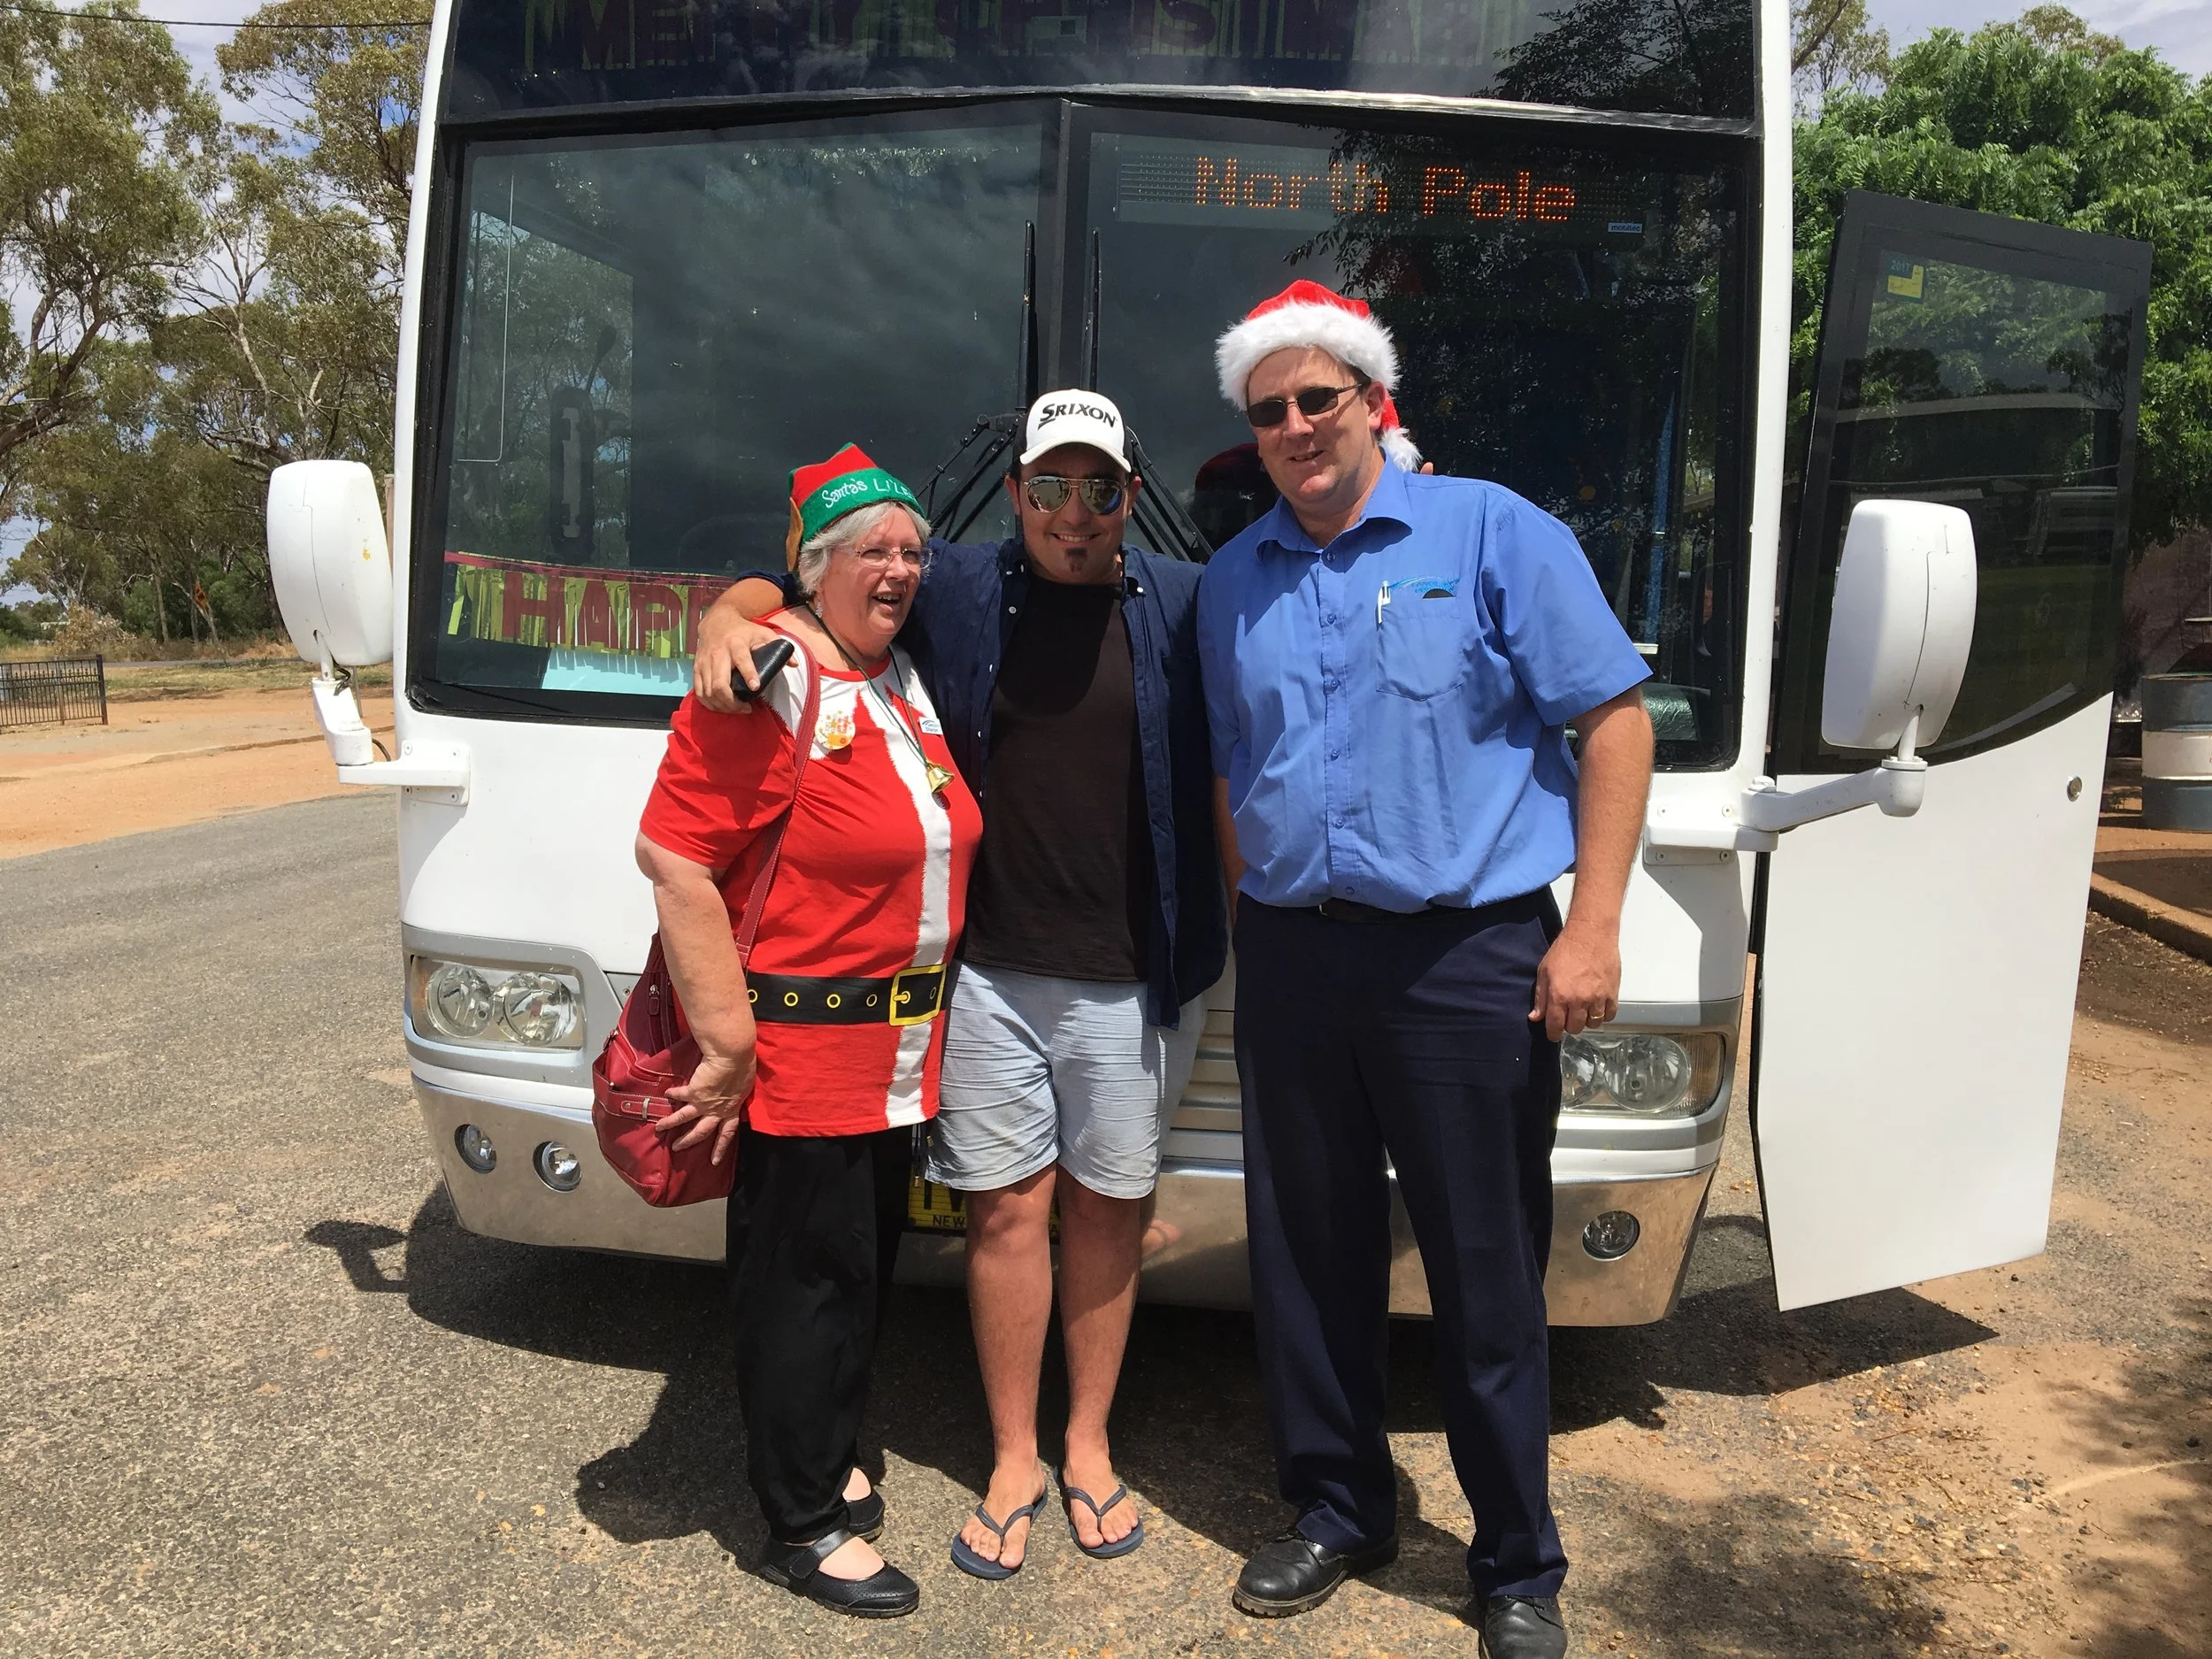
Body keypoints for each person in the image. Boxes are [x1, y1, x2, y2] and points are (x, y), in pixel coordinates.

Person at [692, 389, 1226, 1578]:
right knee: (1005, 1213)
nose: (1071, 514)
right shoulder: (964, 587)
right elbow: (802, 585)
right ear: (1019, 494)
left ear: (1131, 498)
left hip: (1131, 985)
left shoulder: (1187, 601)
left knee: (1107, 1212)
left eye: (1097, 489)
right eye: (1047, 487)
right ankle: (1013, 1455)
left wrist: (1402, 488)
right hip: (983, 979)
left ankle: (1087, 1444)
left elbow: (1302, 607)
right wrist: (722, 620)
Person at [1197, 280, 1655, 1659]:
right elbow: (1235, 764)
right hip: (1294, 957)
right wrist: (1256, 907)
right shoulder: (1232, 580)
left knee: (1483, 1267)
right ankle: (1338, 1507)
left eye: (1316, 398)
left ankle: (1516, 1561)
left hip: (1468, 958)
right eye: (1267, 410)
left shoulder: (1495, 529)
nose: (1293, 426)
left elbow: (1615, 724)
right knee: (1308, 1251)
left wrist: (1592, 927)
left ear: (1373, 403)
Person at [634, 444, 983, 1619]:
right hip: (796, 1060)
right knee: (801, 1285)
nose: (897, 569)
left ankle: (826, 1445)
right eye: (870, 551)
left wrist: (736, 594)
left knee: (855, 1270)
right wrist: (725, 1038)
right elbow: (674, 854)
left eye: (910, 549)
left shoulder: (897, 676)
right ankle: (800, 1519)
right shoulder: (769, 678)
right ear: (814, 570)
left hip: (890, 1062)